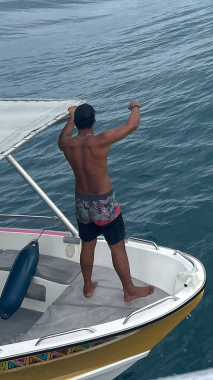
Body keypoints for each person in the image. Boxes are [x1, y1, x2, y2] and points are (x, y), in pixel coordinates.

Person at [58, 101, 154, 302]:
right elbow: (132, 125)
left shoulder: (66, 145)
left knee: (88, 245)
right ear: (94, 120)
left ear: (77, 123)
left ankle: (87, 287)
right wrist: (135, 106)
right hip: (103, 204)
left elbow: (64, 135)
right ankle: (129, 290)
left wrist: (71, 117)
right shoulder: (100, 140)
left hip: (81, 204)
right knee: (117, 247)